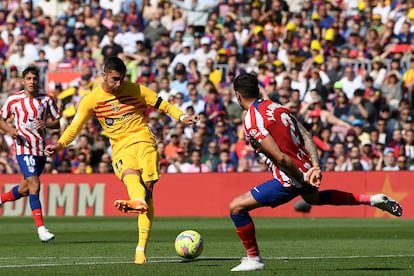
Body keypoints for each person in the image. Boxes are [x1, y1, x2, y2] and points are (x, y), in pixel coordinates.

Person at [229, 73, 403, 272]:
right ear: (258, 90)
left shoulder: (252, 119)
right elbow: (307, 136)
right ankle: (372, 200)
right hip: (305, 169)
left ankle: (254, 258)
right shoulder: (277, 107)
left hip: (290, 177)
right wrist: (315, 167)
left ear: (238, 95)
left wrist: (302, 176)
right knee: (314, 199)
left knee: (236, 208)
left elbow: (281, 158)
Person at [44, 56, 199, 264]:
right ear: (103, 75)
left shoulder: (136, 89)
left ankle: (140, 246)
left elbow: (165, 105)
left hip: (144, 140)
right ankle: (138, 208)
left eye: (121, 79)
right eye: (114, 79)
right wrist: (60, 144)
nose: (118, 84)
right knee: (130, 178)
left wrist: (182, 117)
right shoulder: (91, 100)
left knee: (148, 187)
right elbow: (75, 127)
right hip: (120, 148)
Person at [0, 66, 60, 242]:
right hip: (23, 148)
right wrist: (10, 130)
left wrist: (46, 124)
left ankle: (1, 199)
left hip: (40, 149)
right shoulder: (14, 100)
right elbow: (1, 119)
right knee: (35, 184)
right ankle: (41, 229)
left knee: (25, 189)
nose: (32, 82)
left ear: (38, 80)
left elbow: (57, 123)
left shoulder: (47, 99)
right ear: (23, 80)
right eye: (29, 79)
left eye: (35, 78)